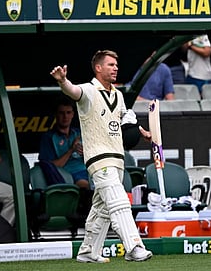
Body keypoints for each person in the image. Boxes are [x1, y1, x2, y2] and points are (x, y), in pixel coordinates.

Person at [50, 50, 153, 263]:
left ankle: (88, 252)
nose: (116, 68)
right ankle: (134, 246)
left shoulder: (119, 94)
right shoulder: (88, 90)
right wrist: (63, 81)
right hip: (99, 157)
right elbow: (73, 91)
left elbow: (125, 119)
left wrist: (141, 131)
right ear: (98, 68)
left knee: (102, 208)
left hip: (117, 158)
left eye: (116, 64)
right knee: (118, 202)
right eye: (111, 64)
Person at [38, 97, 89, 190]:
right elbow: (49, 166)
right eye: (61, 113)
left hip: (90, 171)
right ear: (56, 114)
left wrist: (86, 152)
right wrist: (71, 150)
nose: (65, 117)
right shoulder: (49, 137)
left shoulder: (79, 133)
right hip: (67, 175)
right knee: (84, 186)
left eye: (68, 113)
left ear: (73, 114)